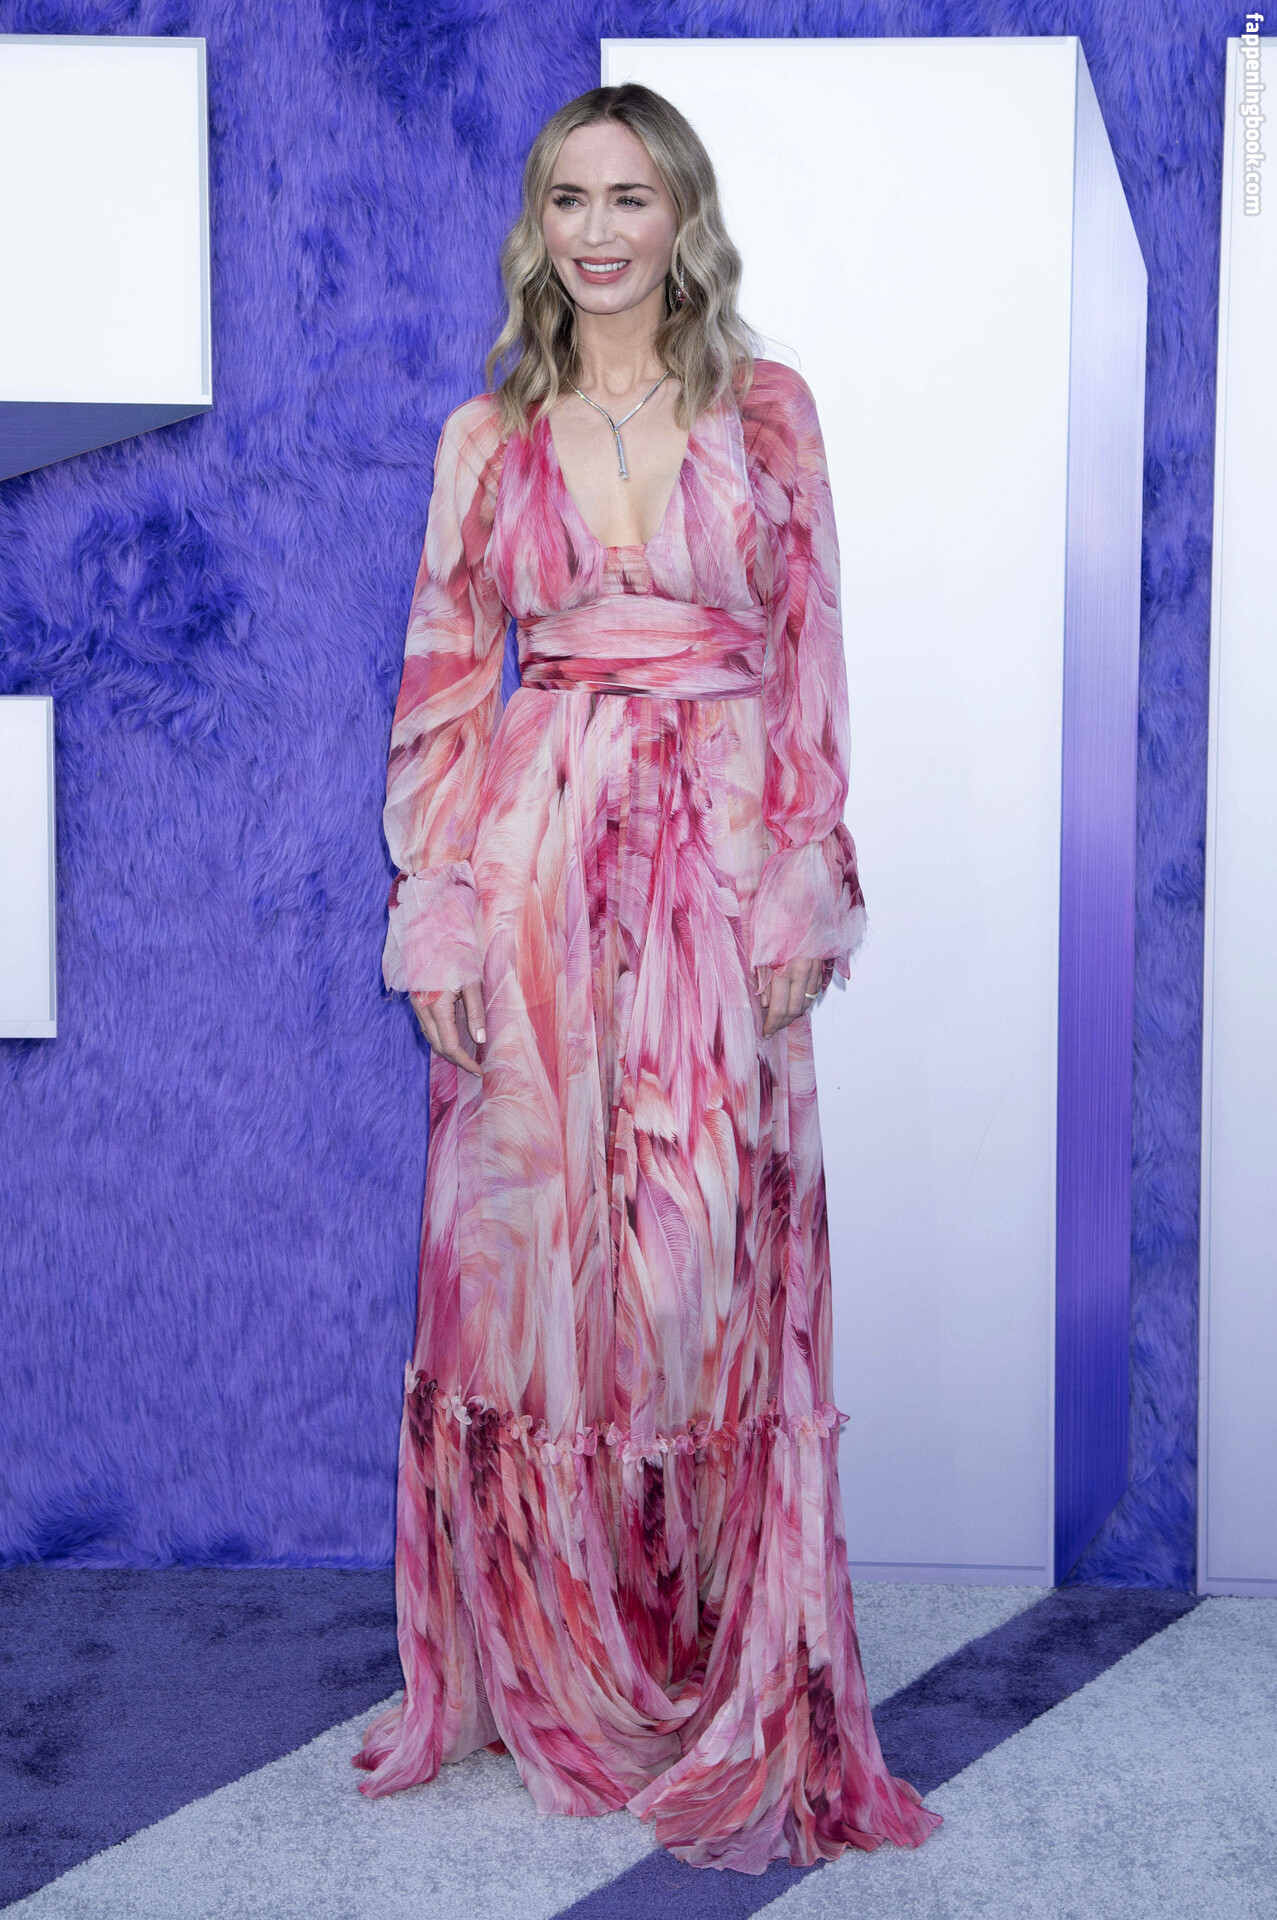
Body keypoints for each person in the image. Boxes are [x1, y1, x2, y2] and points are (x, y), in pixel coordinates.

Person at [352, 81, 941, 1876]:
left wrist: (801, 883)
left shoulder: (769, 414)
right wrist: (441, 910)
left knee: (697, 1269)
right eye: (567, 198)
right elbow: (445, 679)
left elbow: (810, 655)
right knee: (532, 1270)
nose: (597, 231)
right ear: (534, 225)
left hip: (716, 869)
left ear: (683, 216)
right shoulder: (485, 436)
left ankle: (708, 1657)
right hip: (535, 862)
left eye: (629, 197)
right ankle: (552, 1658)